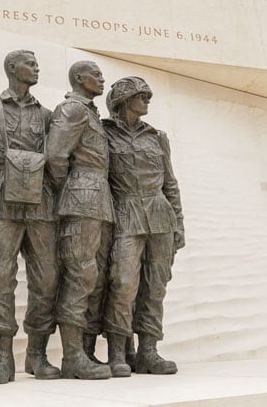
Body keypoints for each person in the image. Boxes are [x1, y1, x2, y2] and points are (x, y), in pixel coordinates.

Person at [0, 50, 60, 384]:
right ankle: (2, 359)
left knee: (46, 280)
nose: (37, 68)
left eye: (37, 63)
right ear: (12, 68)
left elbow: (59, 166)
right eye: (30, 64)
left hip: (41, 206)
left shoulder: (49, 116)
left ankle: (37, 354)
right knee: (0, 278)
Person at [101, 77, 184, 377]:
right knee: (123, 283)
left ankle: (149, 351)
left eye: (148, 95)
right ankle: (118, 351)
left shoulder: (158, 137)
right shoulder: (103, 133)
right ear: (124, 100)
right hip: (125, 211)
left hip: (160, 215)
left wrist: (180, 224)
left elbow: (170, 183)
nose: (148, 99)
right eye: (142, 95)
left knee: (155, 286)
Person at [46, 60, 113, 380]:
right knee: (80, 275)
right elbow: (56, 156)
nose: (102, 79)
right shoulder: (72, 109)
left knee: (93, 278)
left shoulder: (89, 112)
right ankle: (72, 356)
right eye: (96, 75)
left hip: (97, 200)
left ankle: (83, 352)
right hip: (82, 198)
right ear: (79, 78)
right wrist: (71, 189)